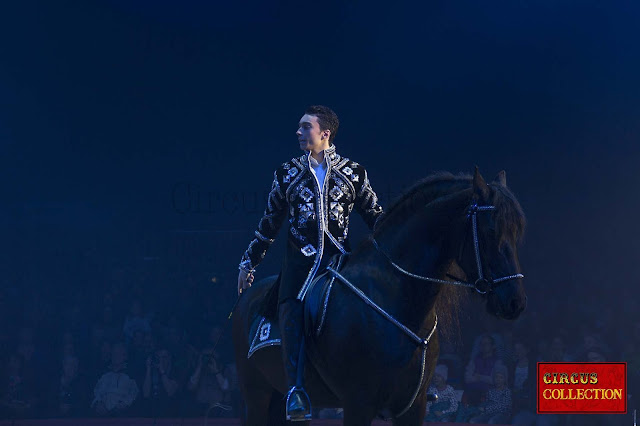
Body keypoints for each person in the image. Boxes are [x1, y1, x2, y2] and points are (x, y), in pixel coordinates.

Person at [237, 105, 384, 421]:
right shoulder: (286, 174)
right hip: (299, 263)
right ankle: (296, 390)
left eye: (305, 127)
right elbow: (270, 223)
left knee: (378, 306)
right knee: (291, 307)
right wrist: (248, 263)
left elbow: (376, 216)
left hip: (340, 263)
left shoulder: (353, 173)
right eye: (300, 128)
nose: (299, 132)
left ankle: (397, 380)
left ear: (324, 133)